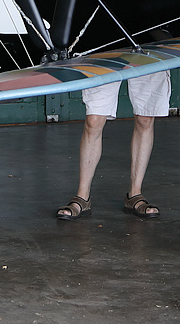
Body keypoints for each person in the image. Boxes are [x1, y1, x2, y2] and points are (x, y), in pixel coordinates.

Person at [56, 71, 171, 219]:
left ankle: (134, 194)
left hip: (146, 49)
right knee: (94, 121)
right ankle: (82, 197)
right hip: (106, 49)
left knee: (145, 118)